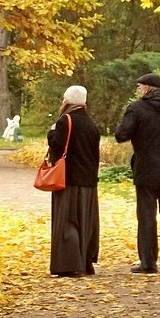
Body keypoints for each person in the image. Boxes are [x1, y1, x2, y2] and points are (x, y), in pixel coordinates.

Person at [114, 72, 160, 274]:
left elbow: (122, 135)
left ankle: (148, 262)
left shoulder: (137, 108)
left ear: (147, 88)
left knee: (147, 216)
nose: (138, 90)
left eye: (139, 87)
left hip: (146, 169)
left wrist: (120, 124)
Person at [47, 85, 100, 277]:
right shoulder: (91, 125)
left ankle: (69, 264)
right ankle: (86, 261)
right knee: (85, 221)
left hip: (68, 179)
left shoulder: (65, 121)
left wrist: (51, 133)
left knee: (68, 221)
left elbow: (57, 147)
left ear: (67, 101)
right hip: (88, 180)